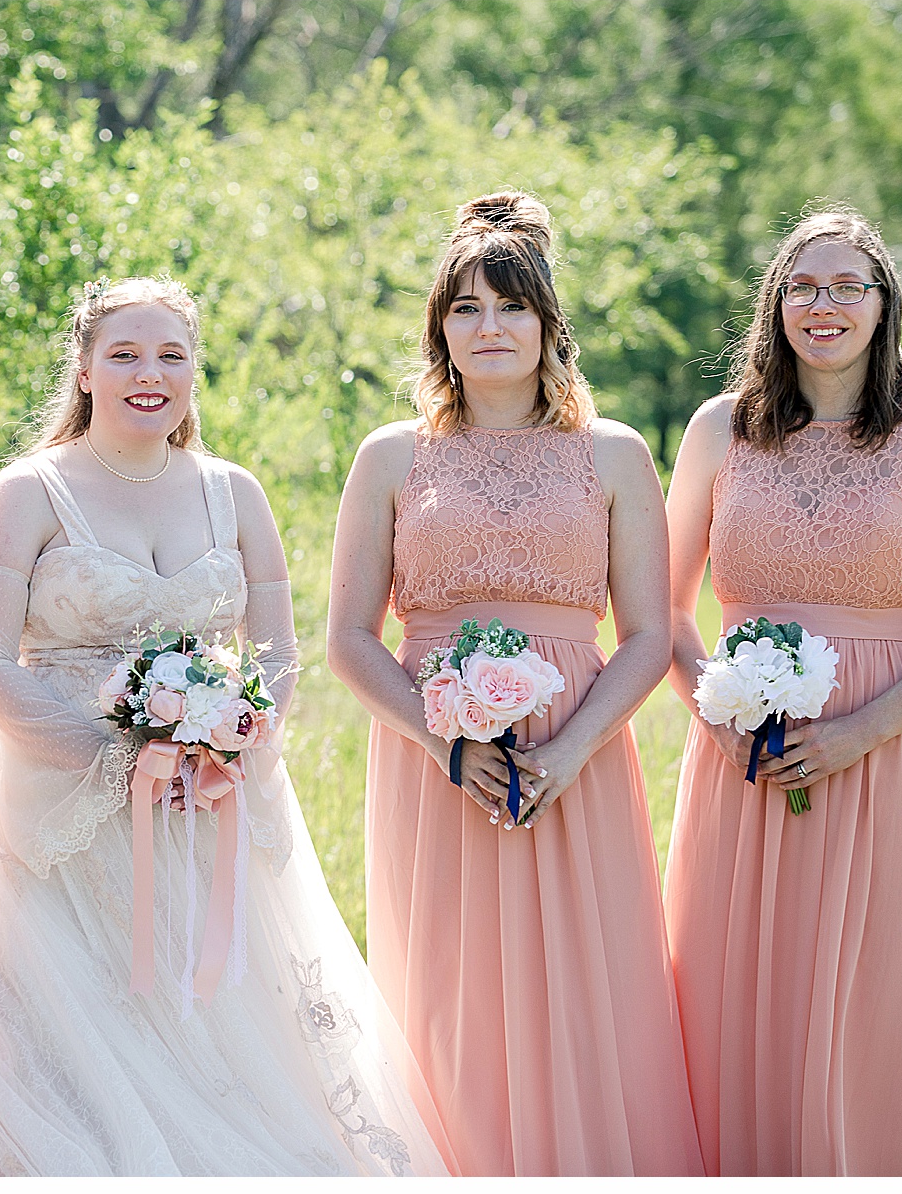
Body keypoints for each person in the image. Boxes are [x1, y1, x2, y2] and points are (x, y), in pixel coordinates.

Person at [0, 277, 451, 1175]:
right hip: (60, 816)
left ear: (194, 371)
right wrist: (115, 756)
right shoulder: (32, 492)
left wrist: (224, 738)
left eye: (172, 355)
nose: (151, 374)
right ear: (87, 369)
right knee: (75, 1046)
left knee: (228, 1037)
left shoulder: (234, 492)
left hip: (209, 803)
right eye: (126, 354)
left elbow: (279, 654)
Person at [327, 192, 703, 1175]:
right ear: (439, 329)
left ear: (548, 325)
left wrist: (567, 752)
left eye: (511, 308)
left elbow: (652, 633)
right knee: (449, 989)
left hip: (573, 760)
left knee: (584, 983)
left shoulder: (614, 455)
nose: (489, 328)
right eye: (465, 308)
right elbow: (349, 640)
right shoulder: (389, 459)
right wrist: (444, 741)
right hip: (435, 765)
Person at [662, 208, 902, 1174]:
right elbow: (664, 615)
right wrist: (714, 716)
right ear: (776, 306)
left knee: (868, 1002)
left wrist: (859, 733)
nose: (824, 306)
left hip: (882, 761)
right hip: (741, 765)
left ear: (882, 304)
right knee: (734, 999)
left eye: (846, 286)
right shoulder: (717, 430)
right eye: (803, 287)